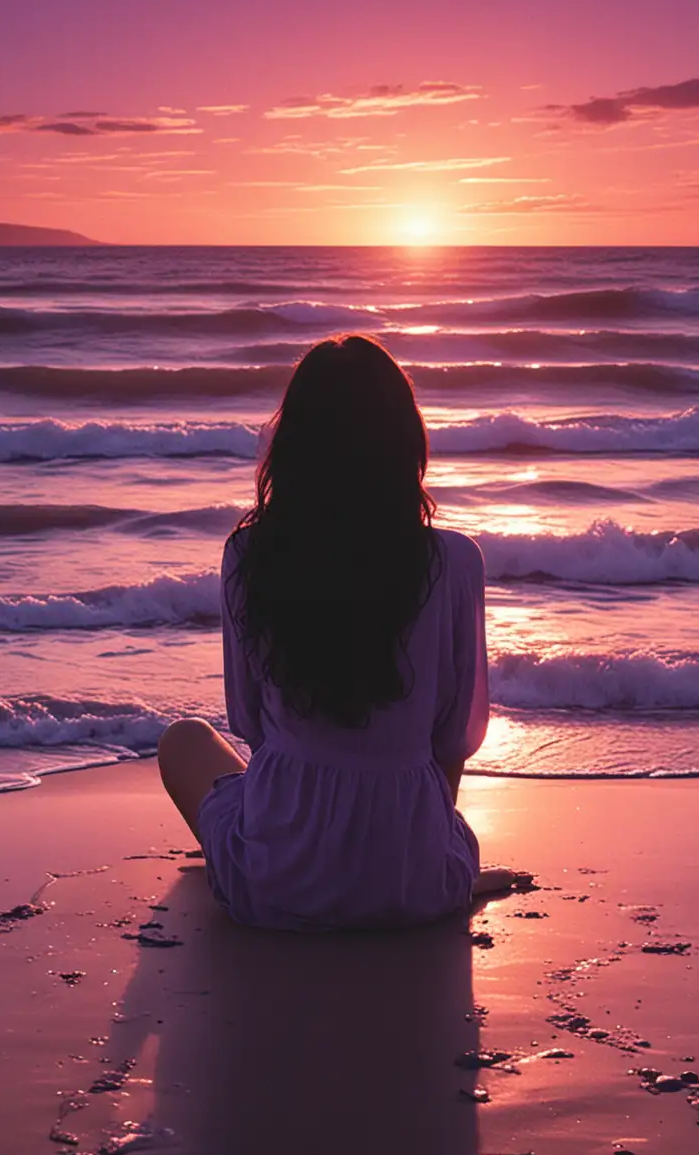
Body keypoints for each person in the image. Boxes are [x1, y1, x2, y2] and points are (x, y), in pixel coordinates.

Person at [157, 334, 516, 931]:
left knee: (184, 742)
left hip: (276, 890)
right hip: (416, 885)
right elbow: (455, 739)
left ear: (292, 447)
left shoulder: (250, 555)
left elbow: (249, 723)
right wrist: (418, 857)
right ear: (406, 444)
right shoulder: (455, 562)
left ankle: (278, 856)